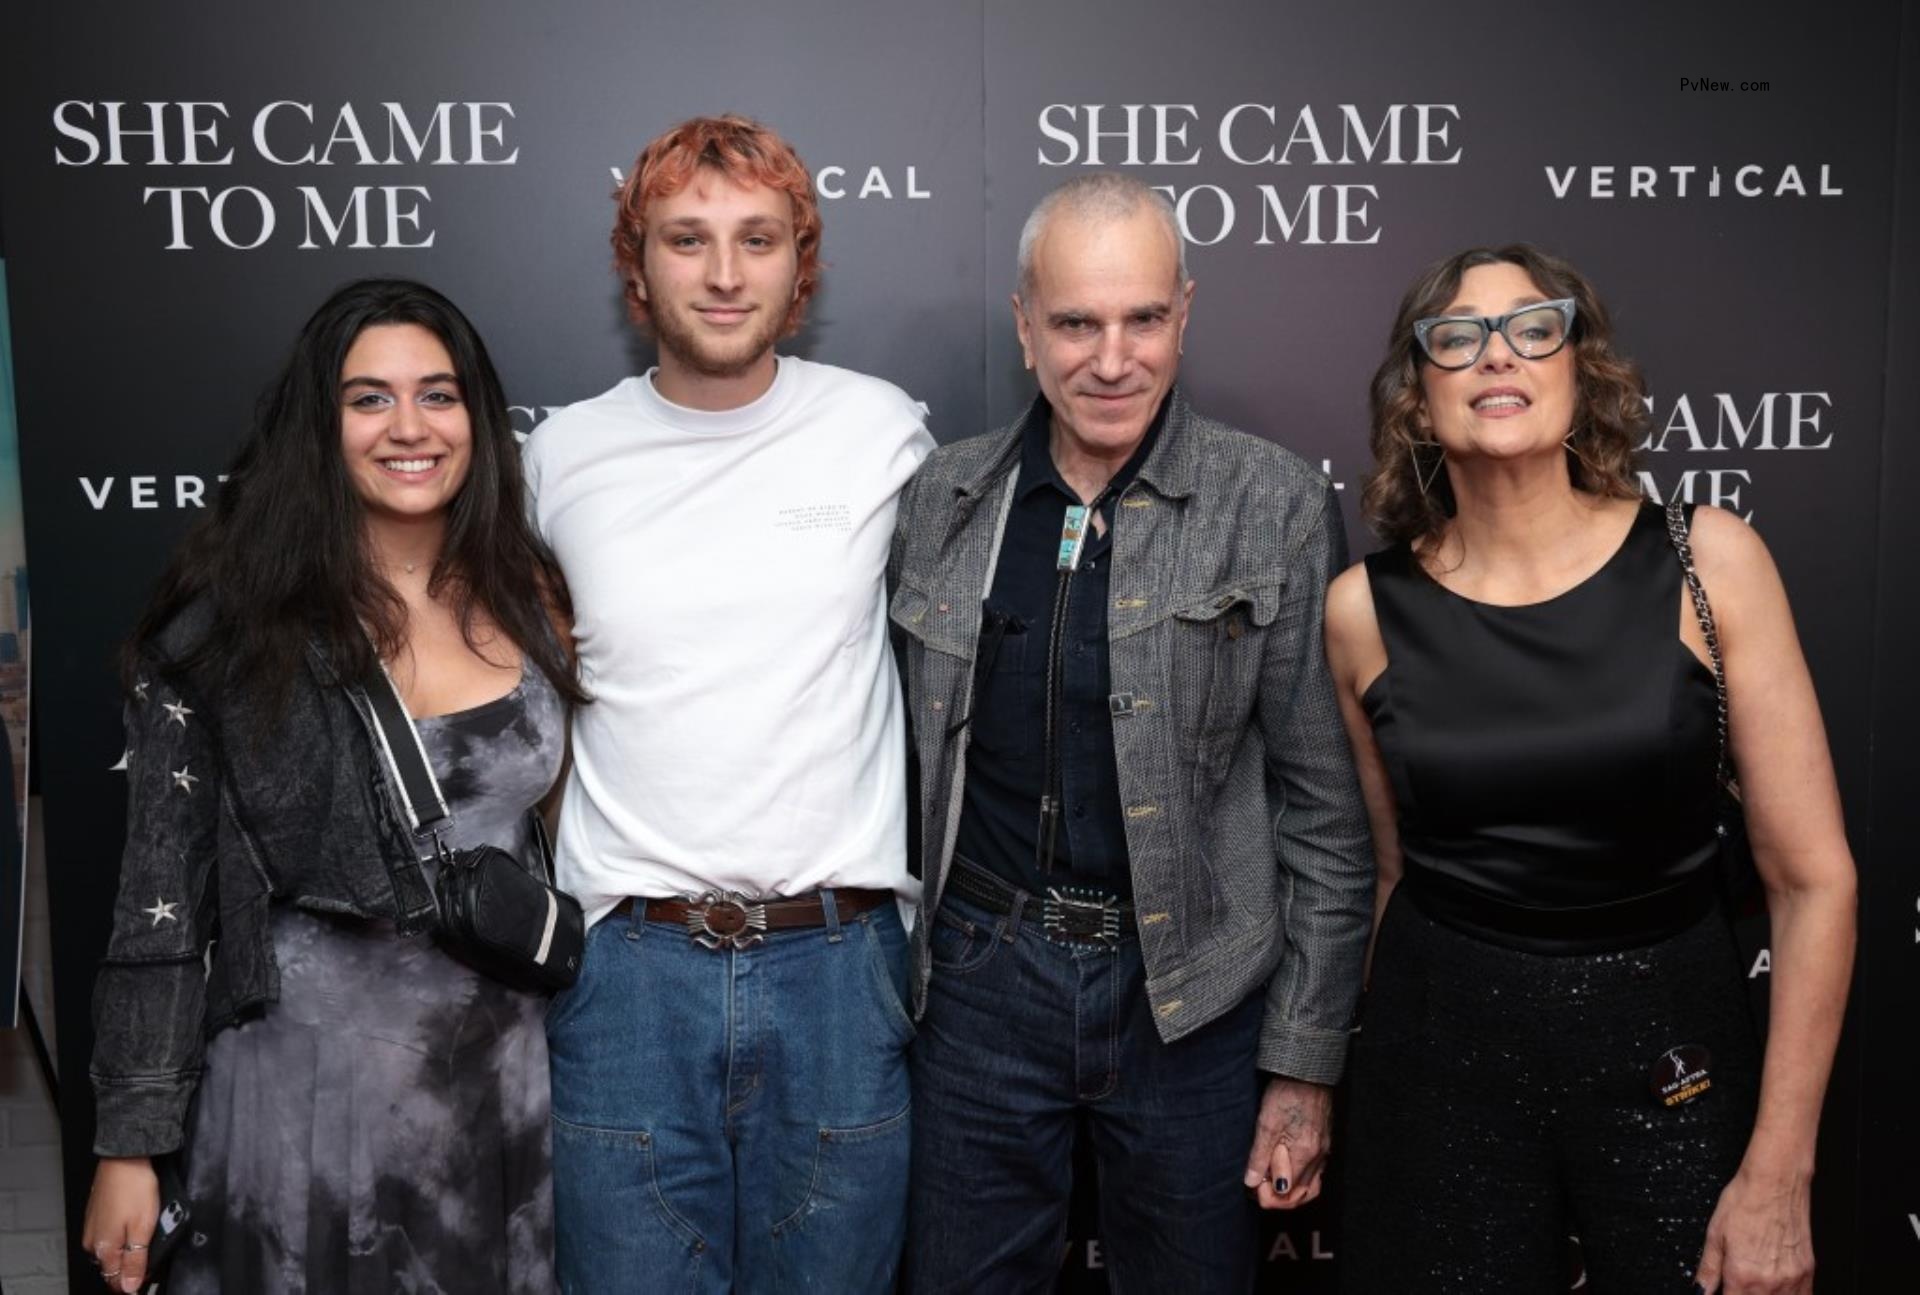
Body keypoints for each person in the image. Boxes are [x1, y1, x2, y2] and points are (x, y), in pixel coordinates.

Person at [1327, 245, 1855, 1294]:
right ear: (1419, 400)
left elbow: (1814, 880)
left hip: (1671, 1044)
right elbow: (1394, 875)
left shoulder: (1709, 561)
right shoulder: (1362, 610)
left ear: (1582, 371)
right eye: (1457, 337)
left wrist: (1782, 1172)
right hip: (1441, 1055)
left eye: (1532, 326)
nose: (1496, 355)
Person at [891, 172, 1373, 1292]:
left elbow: (1325, 817)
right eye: (1075, 322)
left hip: (1194, 992)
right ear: (1024, 325)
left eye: (1142, 318)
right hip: (979, 982)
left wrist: (1303, 1066)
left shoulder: (1276, 503)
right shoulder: (944, 499)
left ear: (1184, 314)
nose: (1112, 359)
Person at [79, 278, 583, 1293]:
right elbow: (157, 904)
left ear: (477, 419)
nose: (409, 426)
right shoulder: (230, 628)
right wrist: (129, 1143)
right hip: (298, 1091)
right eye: (369, 398)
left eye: (438, 395)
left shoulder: (532, 591)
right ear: (320, 423)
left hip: (504, 1077)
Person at [524, 115, 933, 1293]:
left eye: (757, 239)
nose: (721, 272)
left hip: (842, 968)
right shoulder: (561, 457)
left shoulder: (884, 431)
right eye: (686, 238)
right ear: (636, 265)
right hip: (628, 978)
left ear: (800, 264)